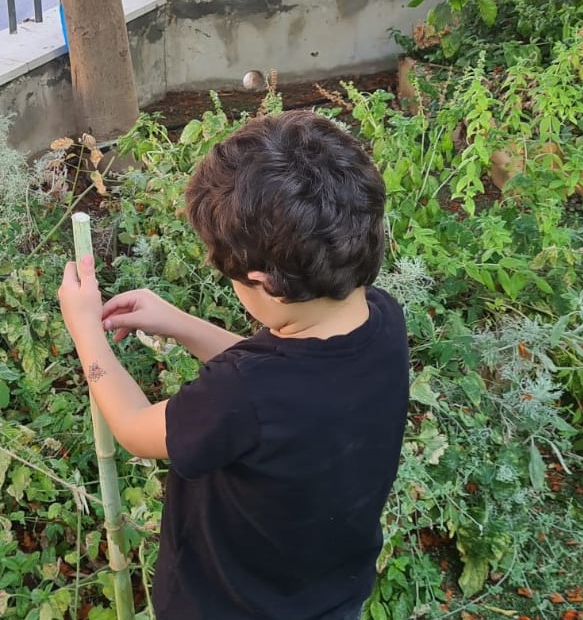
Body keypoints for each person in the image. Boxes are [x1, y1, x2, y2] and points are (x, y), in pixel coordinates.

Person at [56, 110, 410, 619]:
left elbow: (135, 429)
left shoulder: (241, 394)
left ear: (263, 281)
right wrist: (179, 322)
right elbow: (283, 389)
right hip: (329, 594)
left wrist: (85, 331)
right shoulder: (380, 317)